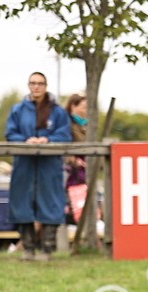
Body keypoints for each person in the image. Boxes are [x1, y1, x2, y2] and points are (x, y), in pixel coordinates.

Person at [5, 72, 71, 261]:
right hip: (24, 163)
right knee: (22, 202)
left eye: (40, 83)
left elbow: (64, 134)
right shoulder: (18, 110)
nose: (36, 87)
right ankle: (28, 248)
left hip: (49, 164)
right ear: (28, 86)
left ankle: (47, 249)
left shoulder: (57, 111)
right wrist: (25, 140)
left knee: (51, 202)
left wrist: (47, 140)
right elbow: (10, 133)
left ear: (45, 86)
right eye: (33, 83)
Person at [63, 93, 88, 226]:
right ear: (73, 106)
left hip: (82, 172)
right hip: (71, 173)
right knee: (72, 207)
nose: (86, 111)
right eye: (84, 107)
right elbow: (64, 145)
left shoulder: (85, 125)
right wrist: (73, 159)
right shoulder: (67, 124)